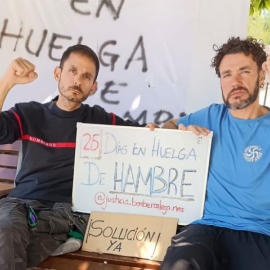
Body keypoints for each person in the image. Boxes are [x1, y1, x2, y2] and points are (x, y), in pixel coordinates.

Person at [0, 44, 156, 270]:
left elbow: (145, 136)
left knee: (13, 245)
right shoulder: (29, 113)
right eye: (72, 71)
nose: (77, 80)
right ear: (58, 74)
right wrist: (7, 81)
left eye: (86, 76)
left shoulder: (99, 119)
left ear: (93, 87)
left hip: (62, 214)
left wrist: (156, 130)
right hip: (18, 206)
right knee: (6, 232)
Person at [160, 37, 270, 270]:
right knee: (178, 266)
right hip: (205, 228)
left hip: (259, 231)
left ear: (262, 75)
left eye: (244, 71)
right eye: (226, 74)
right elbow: (167, 126)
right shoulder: (211, 115)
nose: (235, 81)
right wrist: (182, 131)